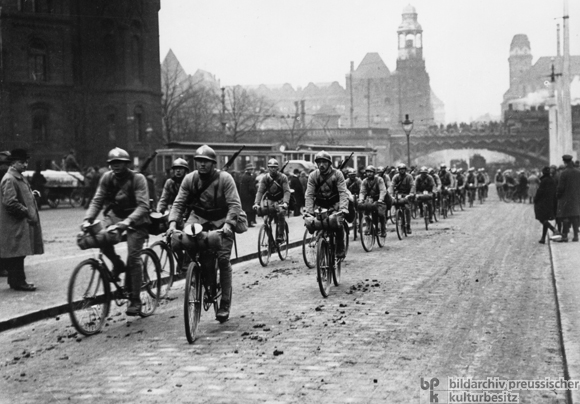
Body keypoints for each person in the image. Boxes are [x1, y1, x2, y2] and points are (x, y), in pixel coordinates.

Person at [167, 145, 242, 322]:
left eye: (206, 162)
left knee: (223, 259)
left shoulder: (225, 178)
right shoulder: (189, 179)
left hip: (221, 219)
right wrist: (171, 224)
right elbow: (179, 203)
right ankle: (196, 273)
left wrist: (229, 225)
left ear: (213, 164)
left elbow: (234, 204)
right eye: (199, 161)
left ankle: (224, 302)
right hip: (198, 218)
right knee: (187, 244)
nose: (202, 165)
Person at [83, 147, 150, 315]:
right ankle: (118, 264)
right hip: (116, 216)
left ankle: (135, 299)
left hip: (137, 219)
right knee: (99, 238)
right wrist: (87, 219)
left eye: (119, 163)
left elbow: (143, 206)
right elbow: (97, 199)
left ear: (126, 164)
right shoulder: (107, 178)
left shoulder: (138, 179)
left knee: (134, 257)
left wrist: (128, 222)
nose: (115, 166)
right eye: (112, 163)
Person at [0, 149, 44, 291]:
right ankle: (19, 282)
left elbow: (19, 195)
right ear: (13, 163)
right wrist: (26, 211)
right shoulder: (10, 179)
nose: (25, 165)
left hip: (18, 224)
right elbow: (10, 202)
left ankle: (15, 282)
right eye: (22, 162)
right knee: (17, 254)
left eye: (26, 162)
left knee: (19, 254)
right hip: (15, 224)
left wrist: (31, 195)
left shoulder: (17, 177)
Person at [304, 151, 349, 258]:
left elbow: (343, 192)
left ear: (329, 163)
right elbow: (309, 195)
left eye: (324, 162)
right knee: (314, 223)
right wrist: (308, 211)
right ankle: (320, 243)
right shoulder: (313, 175)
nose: (321, 165)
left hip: (335, 204)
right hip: (320, 205)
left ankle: (340, 248)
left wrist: (343, 209)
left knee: (338, 224)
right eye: (319, 162)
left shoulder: (337, 174)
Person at [253, 158, 291, 243]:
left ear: (277, 168)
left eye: (274, 167)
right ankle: (271, 241)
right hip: (269, 200)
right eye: (271, 167)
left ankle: (280, 235)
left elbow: (286, 191)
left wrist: (285, 202)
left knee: (281, 213)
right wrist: (256, 203)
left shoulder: (283, 177)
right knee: (266, 221)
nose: (273, 169)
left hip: (280, 200)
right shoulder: (265, 178)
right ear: (268, 168)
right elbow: (260, 191)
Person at [554, 154, 580, 242]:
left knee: (565, 217)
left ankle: (565, 236)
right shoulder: (578, 172)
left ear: (564, 162)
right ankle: (576, 236)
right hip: (576, 197)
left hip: (565, 198)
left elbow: (560, 187)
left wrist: (558, 195)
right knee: (575, 216)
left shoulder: (563, 173)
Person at [358, 165, 387, 237]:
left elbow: (382, 190)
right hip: (370, 198)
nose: (369, 174)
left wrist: (380, 199)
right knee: (366, 212)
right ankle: (368, 226)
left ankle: (383, 230)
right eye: (367, 172)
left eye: (371, 172)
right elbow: (362, 191)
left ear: (374, 173)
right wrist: (361, 199)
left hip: (379, 198)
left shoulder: (379, 179)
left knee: (381, 214)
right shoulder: (364, 181)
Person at [534, 167, 559, 244]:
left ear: (543, 172)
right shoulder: (552, 180)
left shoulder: (543, 181)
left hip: (542, 202)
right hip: (550, 202)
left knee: (541, 218)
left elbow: (539, 192)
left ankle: (553, 229)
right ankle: (543, 238)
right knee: (545, 219)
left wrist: (535, 200)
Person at [389, 163, 415, 234]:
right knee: (396, 205)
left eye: (403, 169)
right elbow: (392, 185)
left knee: (407, 208)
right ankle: (398, 216)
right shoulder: (396, 177)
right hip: (398, 194)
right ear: (399, 170)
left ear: (405, 170)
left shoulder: (409, 176)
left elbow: (412, 185)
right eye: (401, 170)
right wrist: (391, 194)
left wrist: (411, 193)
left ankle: (408, 225)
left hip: (407, 194)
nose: (402, 171)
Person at [345, 168, 362, 240]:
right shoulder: (346, 182)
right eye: (351, 175)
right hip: (349, 198)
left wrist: (360, 197)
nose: (352, 177)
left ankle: (360, 223)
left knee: (360, 208)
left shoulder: (358, 181)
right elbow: (344, 190)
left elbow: (362, 189)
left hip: (357, 197)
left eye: (353, 175)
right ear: (348, 175)